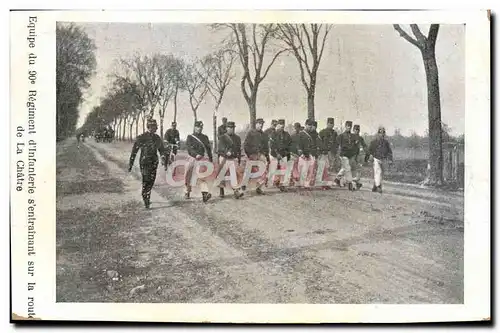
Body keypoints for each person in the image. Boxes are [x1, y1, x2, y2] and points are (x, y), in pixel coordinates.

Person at [128, 118, 169, 209]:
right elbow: (134, 151)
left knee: (151, 180)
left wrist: (163, 157)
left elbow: (162, 150)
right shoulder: (141, 137)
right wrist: (130, 164)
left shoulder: (157, 138)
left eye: (155, 126)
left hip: (154, 162)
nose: (154, 128)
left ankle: (147, 195)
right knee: (146, 179)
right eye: (152, 126)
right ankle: (145, 196)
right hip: (144, 161)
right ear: (148, 127)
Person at [185, 121, 213, 202]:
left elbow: (208, 149)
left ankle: (205, 194)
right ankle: (187, 191)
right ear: (194, 127)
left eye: (201, 127)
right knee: (188, 175)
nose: (199, 128)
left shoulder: (205, 137)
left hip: (201, 158)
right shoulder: (190, 137)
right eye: (198, 127)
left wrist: (210, 159)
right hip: (192, 157)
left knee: (202, 176)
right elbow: (189, 148)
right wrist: (195, 154)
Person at [217, 121, 244, 199]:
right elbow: (220, 148)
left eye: (232, 128)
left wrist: (239, 158)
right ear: (226, 128)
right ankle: (221, 190)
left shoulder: (237, 138)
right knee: (222, 175)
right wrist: (226, 152)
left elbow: (238, 149)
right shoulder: (222, 137)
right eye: (229, 127)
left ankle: (236, 191)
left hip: (232, 158)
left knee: (234, 174)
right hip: (224, 158)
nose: (231, 129)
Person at [243, 118, 269, 195]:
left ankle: (259, 188)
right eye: (259, 123)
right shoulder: (251, 133)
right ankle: (244, 184)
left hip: (261, 155)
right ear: (256, 124)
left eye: (262, 124)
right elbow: (246, 145)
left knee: (264, 171)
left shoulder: (264, 134)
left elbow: (266, 146)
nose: (261, 125)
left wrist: (266, 155)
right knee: (249, 170)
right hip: (252, 154)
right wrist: (249, 154)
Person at [365, 126, 393, 193]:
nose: (382, 134)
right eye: (380, 133)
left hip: (383, 159)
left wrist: (390, 159)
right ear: (378, 133)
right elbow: (369, 150)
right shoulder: (374, 142)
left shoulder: (386, 143)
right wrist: (366, 158)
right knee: (379, 172)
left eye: (383, 133)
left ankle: (375, 186)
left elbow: (389, 151)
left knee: (380, 174)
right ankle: (378, 187)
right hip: (376, 159)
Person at [334, 120, 358, 191]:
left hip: (350, 155)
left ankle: (337, 179)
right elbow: (336, 144)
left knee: (345, 168)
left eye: (350, 126)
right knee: (347, 168)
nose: (349, 128)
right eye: (348, 126)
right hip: (343, 154)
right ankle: (350, 183)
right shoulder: (341, 136)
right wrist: (335, 153)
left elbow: (355, 145)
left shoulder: (353, 136)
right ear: (345, 126)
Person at [269, 119, 292, 191]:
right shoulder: (273, 134)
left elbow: (290, 144)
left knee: (284, 170)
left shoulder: (286, 134)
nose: (282, 126)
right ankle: (270, 183)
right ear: (277, 125)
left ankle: (282, 184)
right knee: (273, 169)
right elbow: (272, 145)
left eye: (283, 125)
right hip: (274, 154)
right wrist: (277, 153)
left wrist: (286, 153)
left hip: (283, 154)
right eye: (280, 125)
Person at [297, 119, 317, 188]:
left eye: (311, 125)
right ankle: (301, 183)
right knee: (303, 170)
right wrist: (301, 154)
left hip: (311, 154)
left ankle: (307, 183)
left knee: (310, 170)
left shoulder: (313, 134)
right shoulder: (301, 133)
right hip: (304, 154)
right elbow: (299, 145)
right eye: (309, 125)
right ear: (305, 125)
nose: (310, 127)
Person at [352, 124, 368, 188]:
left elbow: (364, 145)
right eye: (355, 129)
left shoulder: (360, 138)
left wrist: (367, 151)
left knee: (358, 169)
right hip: (351, 154)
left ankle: (356, 182)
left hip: (357, 155)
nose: (357, 131)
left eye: (358, 130)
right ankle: (340, 180)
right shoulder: (350, 137)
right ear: (353, 130)